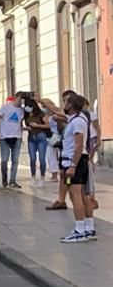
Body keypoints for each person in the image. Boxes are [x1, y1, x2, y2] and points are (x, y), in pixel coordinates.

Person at [60, 93, 97, 243]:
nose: (64, 104)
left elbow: (78, 145)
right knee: (82, 195)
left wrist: (72, 166)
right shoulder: (79, 119)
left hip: (74, 161)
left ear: (70, 105)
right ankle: (89, 228)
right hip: (79, 160)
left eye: (66, 102)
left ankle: (80, 230)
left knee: (75, 195)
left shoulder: (77, 123)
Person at [0, 91, 26, 189]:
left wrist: (23, 128)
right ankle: (4, 179)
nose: (22, 101)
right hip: (4, 137)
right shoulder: (6, 107)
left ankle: (12, 180)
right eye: (21, 98)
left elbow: (20, 122)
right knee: (4, 159)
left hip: (17, 136)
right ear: (16, 97)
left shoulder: (22, 110)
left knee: (15, 160)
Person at [25, 97, 52, 183]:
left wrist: (38, 126)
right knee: (32, 158)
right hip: (31, 137)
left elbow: (48, 125)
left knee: (41, 158)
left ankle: (42, 177)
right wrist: (26, 128)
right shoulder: (26, 116)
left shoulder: (41, 114)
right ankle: (33, 176)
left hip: (41, 136)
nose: (27, 108)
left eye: (29, 106)